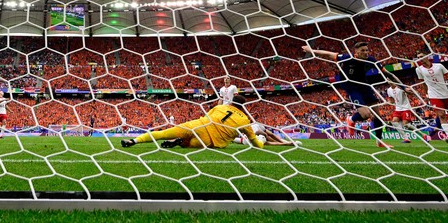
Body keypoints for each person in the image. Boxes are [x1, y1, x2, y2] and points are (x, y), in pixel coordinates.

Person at [302, 41, 392, 149]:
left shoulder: (371, 60)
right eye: (362, 50)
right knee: (366, 115)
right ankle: (351, 119)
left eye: (367, 50)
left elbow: (387, 73)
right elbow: (328, 54)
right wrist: (311, 51)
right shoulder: (347, 58)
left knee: (378, 116)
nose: (366, 52)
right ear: (356, 52)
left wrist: (403, 87)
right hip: (352, 88)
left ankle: (379, 142)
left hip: (365, 86)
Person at [121, 95, 273, 149]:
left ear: (232, 102)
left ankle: (134, 141)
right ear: (243, 107)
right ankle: (180, 142)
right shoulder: (245, 120)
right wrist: (262, 143)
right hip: (209, 141)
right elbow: (254, 142)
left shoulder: (220, 106)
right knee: (189, 145)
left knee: (163, 133)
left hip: (197, 125)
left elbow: (208, 116)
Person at [414, 54, 448, 146]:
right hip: (433, 95)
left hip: (446, 94)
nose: (420, 58)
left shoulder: (439, 66)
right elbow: (423, 84)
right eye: (418, 57)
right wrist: (426, 95)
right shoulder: (419, 69)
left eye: (421, 56)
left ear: (427, 57)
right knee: (441, 115)